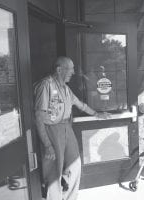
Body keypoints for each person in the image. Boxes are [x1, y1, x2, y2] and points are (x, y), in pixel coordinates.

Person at [34, 56, 109, 200]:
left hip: (66, 128)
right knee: (54, 171)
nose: (73, 72)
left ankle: (69, 197)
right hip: (51, 129)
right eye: (71, 68)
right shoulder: (46, 85)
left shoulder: (66, 88)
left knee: (75, 165)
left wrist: (97, 114)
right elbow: (39, 117)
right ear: (59, 69)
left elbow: (80, 105)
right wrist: (47, 144)